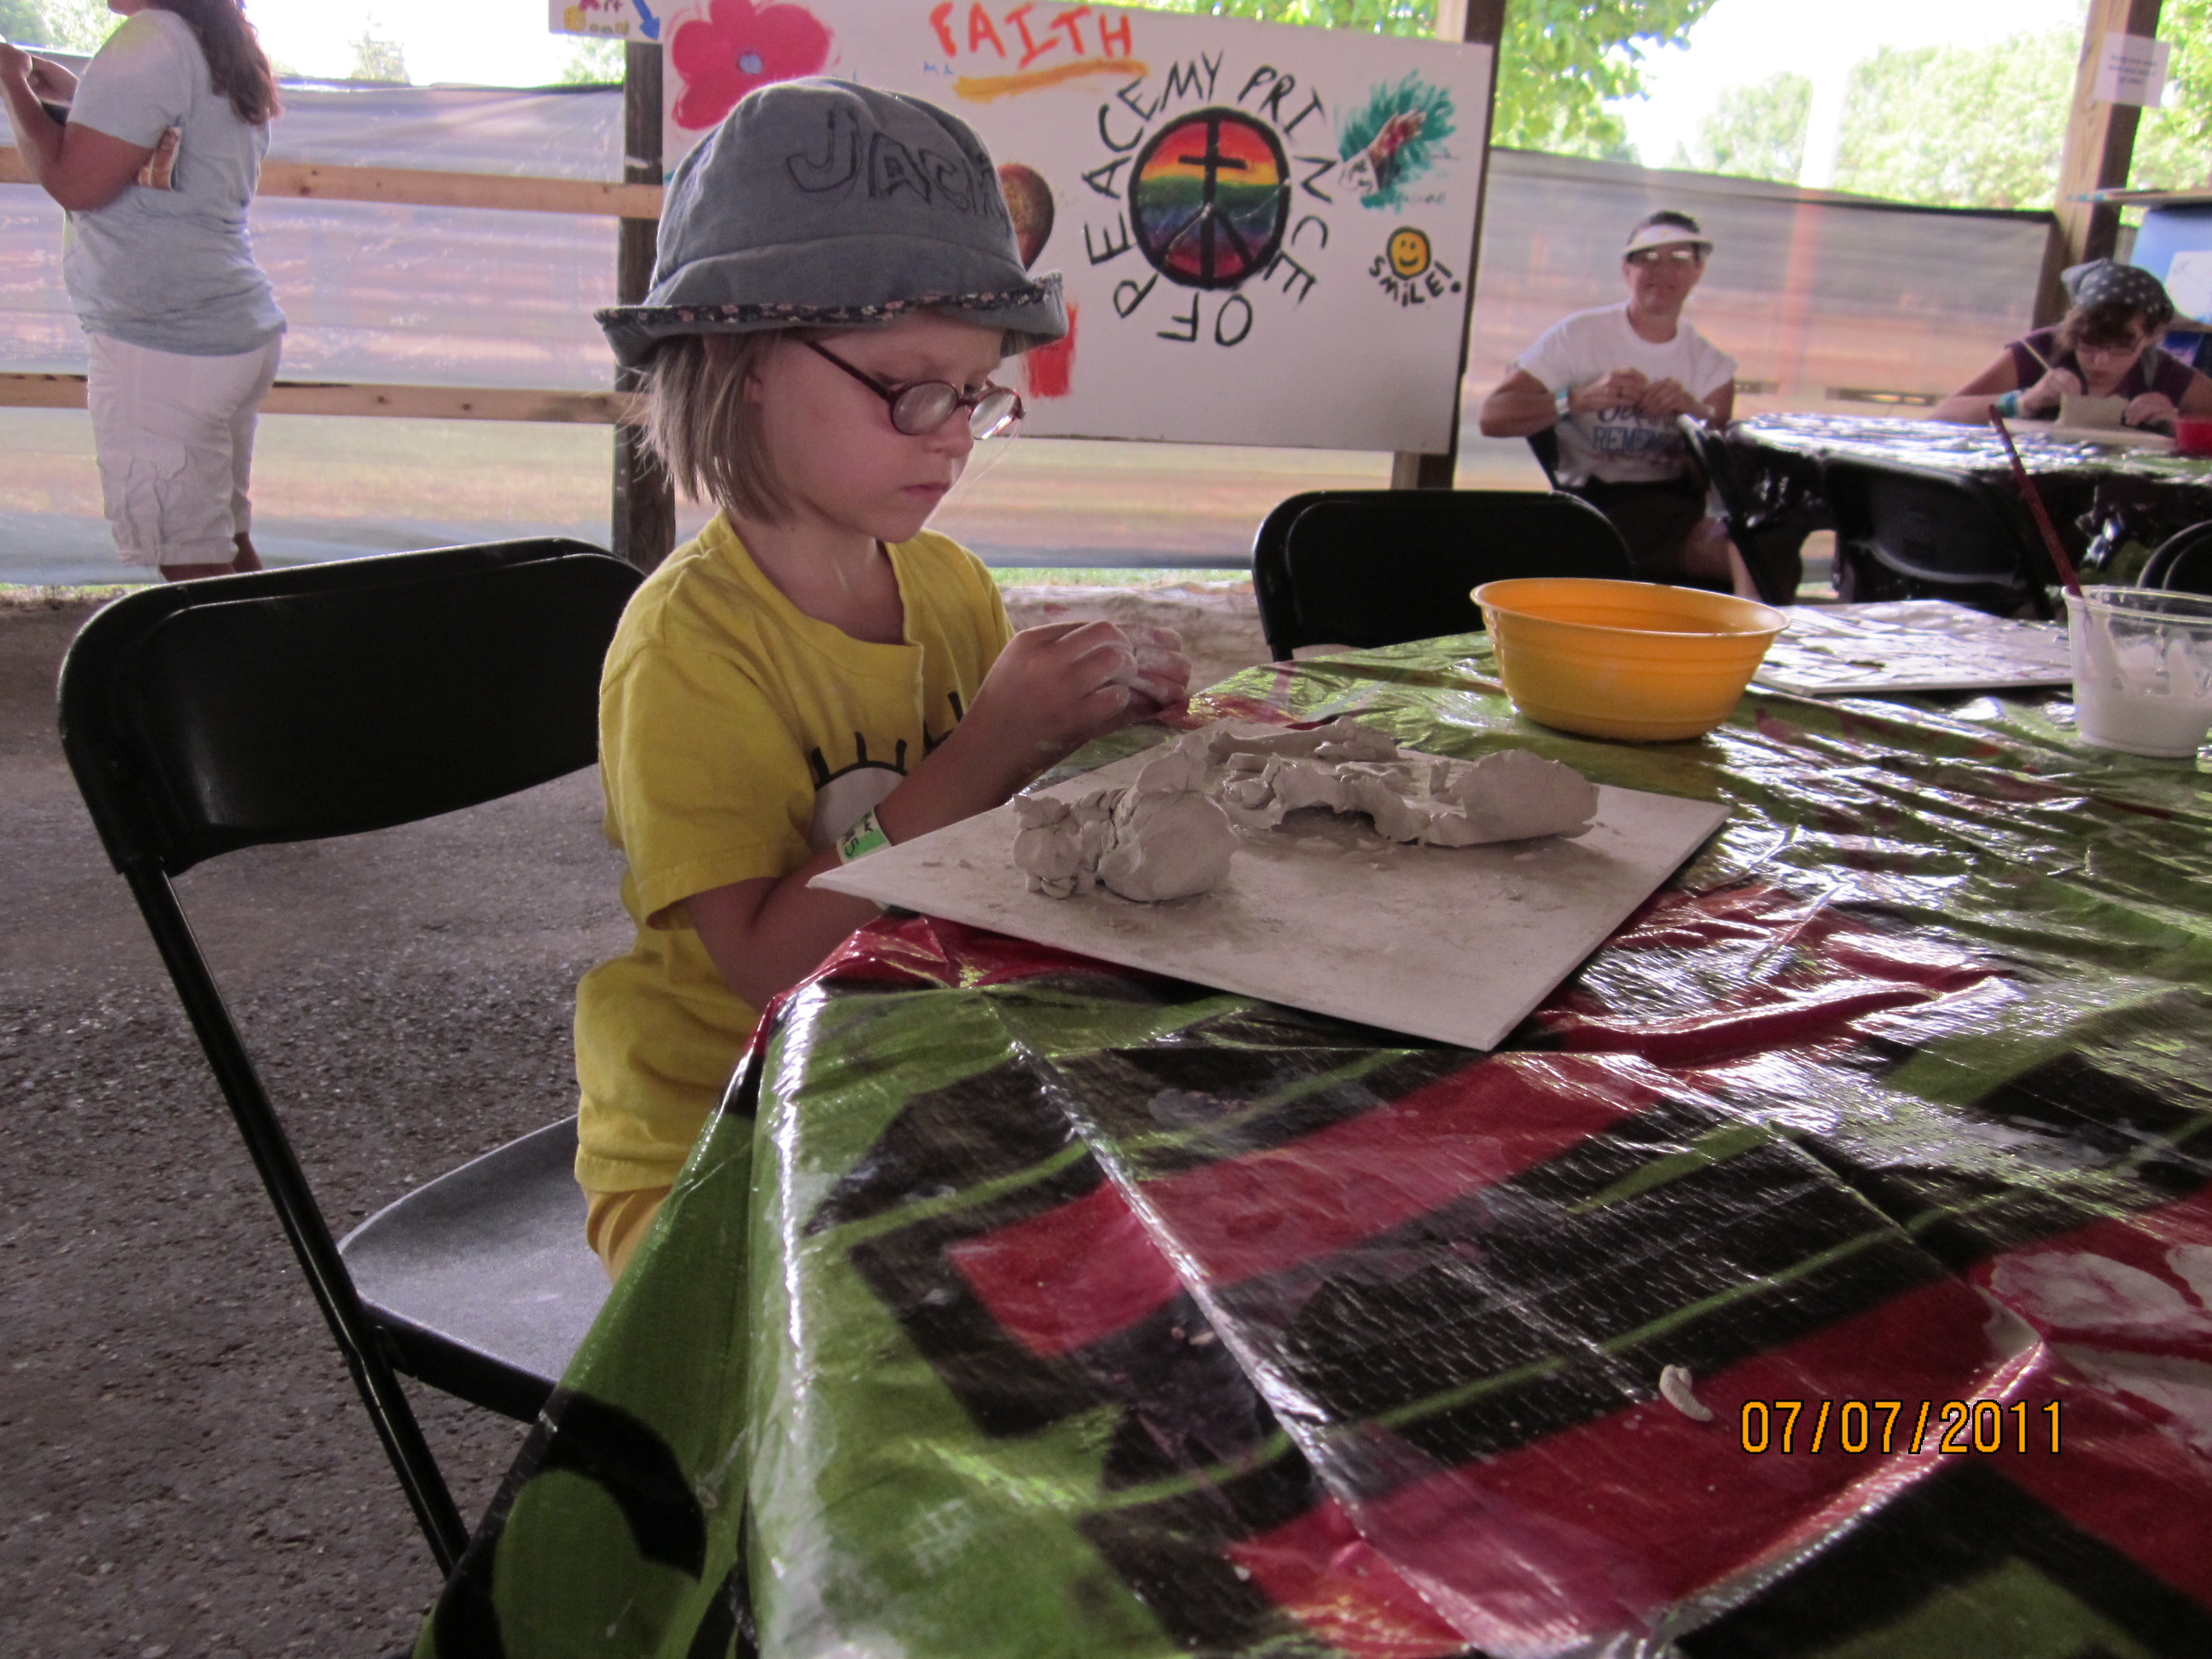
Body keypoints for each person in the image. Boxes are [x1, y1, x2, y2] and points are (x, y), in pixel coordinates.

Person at [575, 79, 1191, 1278]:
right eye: (910, 388)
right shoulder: (686, 652)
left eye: (975, 395)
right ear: (742, 357)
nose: (953, 434)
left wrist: (1078, 736)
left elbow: (995, 838)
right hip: (715, 1133)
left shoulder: (949, 587)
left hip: (904, 1066)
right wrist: (988, 748)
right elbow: (762, 965)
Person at [0, 0, 284, 583]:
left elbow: (76, 183)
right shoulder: (212, 41)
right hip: (224, 331)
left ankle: (241, 650)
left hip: (164, 343)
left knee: (189, 556)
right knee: (222, 538)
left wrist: (12, 87)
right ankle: (285, 643)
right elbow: (168, 145)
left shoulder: (151, 38)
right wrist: (79, 97)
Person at [1479, 211, 1746, 591]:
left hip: (1675, 511)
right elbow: (1492, 417)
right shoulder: (1579, 335)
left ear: (1697, 271)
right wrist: (1576, 399)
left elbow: (1718, 482)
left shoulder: (1712, 366)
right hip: (1590, 507)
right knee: (1748, 556)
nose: (1662, 271)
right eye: (1648, 258)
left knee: (1765, 548)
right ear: (1626, 270)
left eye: (1678, 259)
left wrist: (1692, 415)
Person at [1933, 259, 2212, 432]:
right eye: (2088, 343)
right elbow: (1941, 415)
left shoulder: (2161, 372)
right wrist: (2021, 402)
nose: (2101, 361)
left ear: (2150, 337)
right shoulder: (2038, 351)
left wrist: (2178, 421)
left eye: (2121, 347)